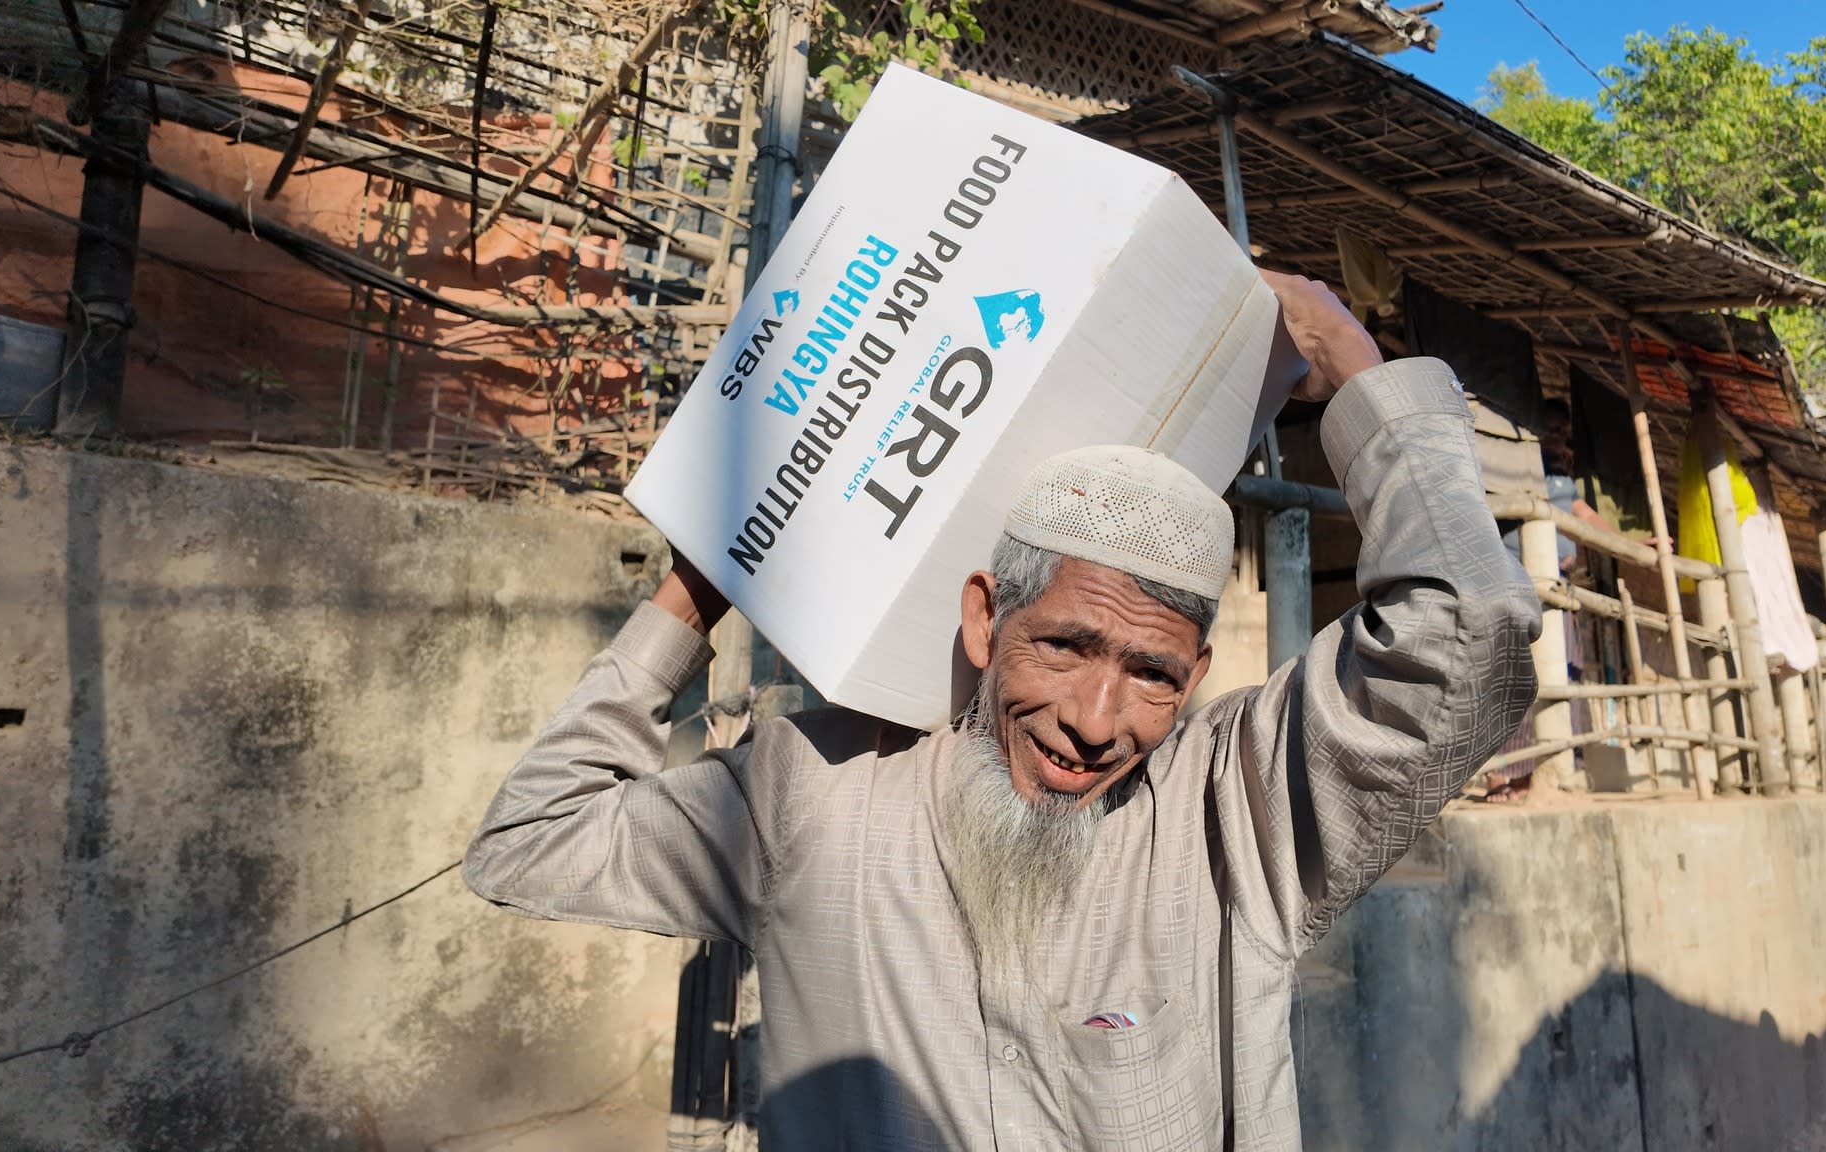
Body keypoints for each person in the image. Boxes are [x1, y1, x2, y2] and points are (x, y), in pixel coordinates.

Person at [463, 271, 1541, 1150]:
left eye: (1155, 675)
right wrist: (707, 579)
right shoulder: (812, 794)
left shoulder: (1236, 814)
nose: (1096, 718)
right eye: (1065, 646)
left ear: (1198, 670)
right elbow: (529, 844)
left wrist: (1354, 364)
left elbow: (1467, 632)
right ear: (985, 621)